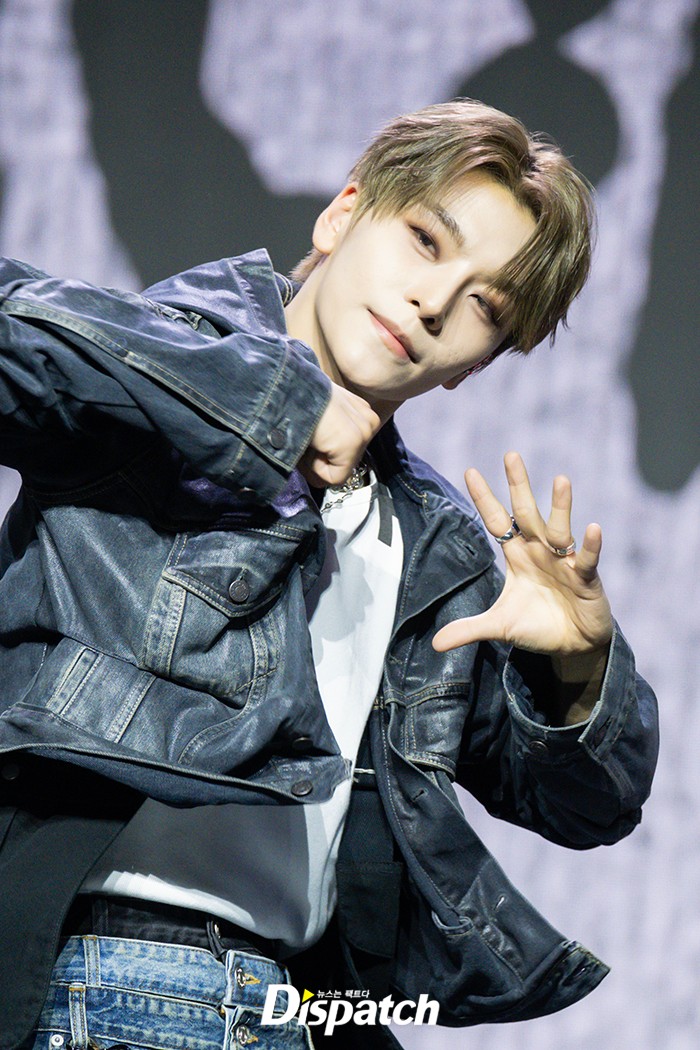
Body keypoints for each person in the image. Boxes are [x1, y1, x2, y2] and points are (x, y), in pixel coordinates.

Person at [0, 99, 658, 1050]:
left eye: (485, 305)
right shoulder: (148, 377)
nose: (433, 302)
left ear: (477, 364)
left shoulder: (430, 544)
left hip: (299, 1009)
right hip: (102, 977)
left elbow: (591, 808)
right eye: (426, 240)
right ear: (343, 214)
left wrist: (579, 671)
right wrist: (274, 403)